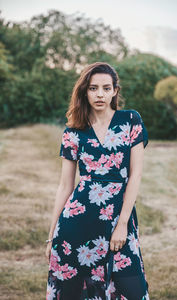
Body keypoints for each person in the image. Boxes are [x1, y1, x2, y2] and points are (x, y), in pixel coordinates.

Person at [45, 62, 150, 300]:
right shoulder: (73, 131)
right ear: (85, 92)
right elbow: (65, 186)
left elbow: (135, 175)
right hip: (76, 225)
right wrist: (52, 234)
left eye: (106, 87)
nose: (100, 94)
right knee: (74, 292)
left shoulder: (130, 120)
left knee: (132, 290)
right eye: (93, 88)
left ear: (115, 91)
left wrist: (122, 224)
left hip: (118, 220)